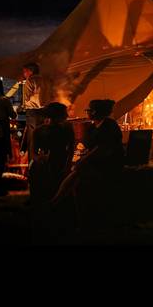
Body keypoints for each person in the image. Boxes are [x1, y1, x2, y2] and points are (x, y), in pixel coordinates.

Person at [52, 98, 124, 229]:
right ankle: (64, 207)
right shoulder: (93, 126)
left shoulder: (109, 126)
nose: (86, 112)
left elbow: (102, 148)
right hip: (96, 162)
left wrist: (83, 160)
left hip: (109, 164)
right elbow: (87, 146)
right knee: (77, 175)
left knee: (78, 172)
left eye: (88, 110)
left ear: (95, 112)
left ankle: (56, 202)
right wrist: (80, 156)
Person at [29, 102, 75, 206]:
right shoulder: (39, 130)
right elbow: (33, 153)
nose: (67, 116)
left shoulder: (66, 128)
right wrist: (39, 159)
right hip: (49, 164)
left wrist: (67, 166)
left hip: (59, 163)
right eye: (64, 113)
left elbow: (71, 149)